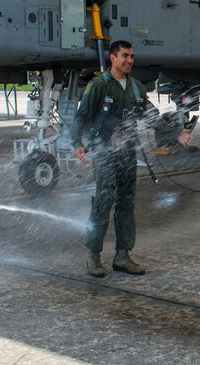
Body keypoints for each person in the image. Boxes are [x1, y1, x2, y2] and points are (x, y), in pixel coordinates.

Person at [71, 40, 192, 277]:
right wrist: (77, 144)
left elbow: (151, 116)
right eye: (125, 55)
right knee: (104, 200)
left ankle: (122, 256)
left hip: (127, 151)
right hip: (104, 150)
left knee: (127, 203)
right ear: (113, 58)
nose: (129, 60)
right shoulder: (98, 85)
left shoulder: (136, 87)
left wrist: (175, 133)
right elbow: (81, 116)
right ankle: (93, 256)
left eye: (132, 56)